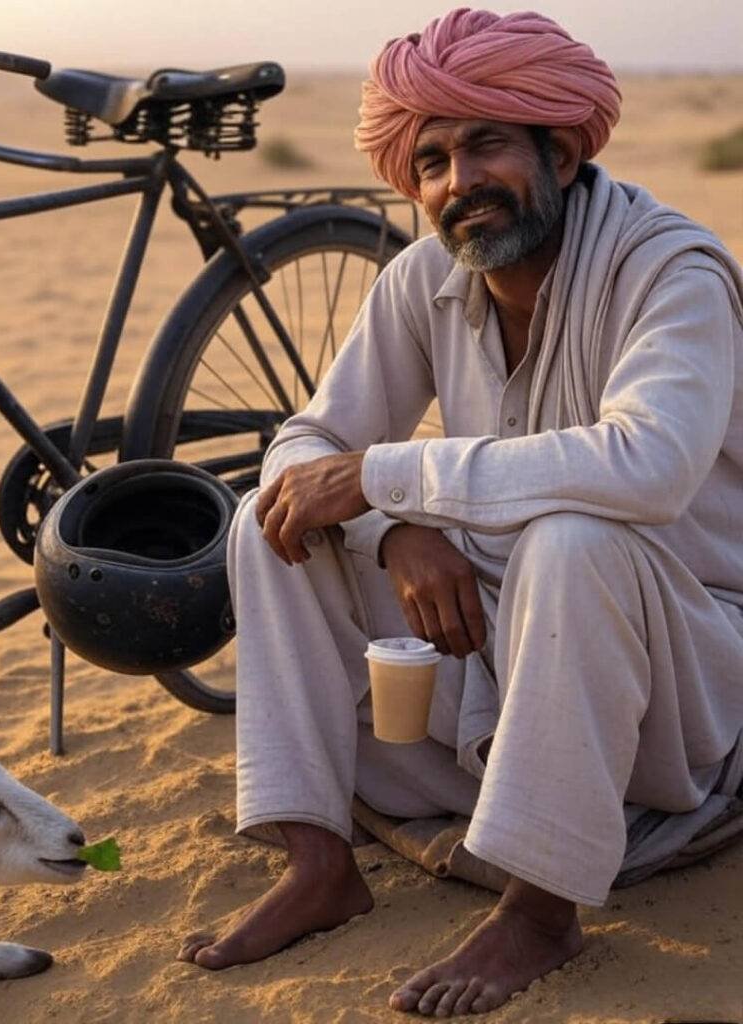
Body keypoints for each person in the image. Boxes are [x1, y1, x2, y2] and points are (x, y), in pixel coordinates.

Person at [176, 8, 743, 1017]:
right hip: (501, 619)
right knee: (269, 524)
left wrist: (393, 478)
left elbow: (647, 466)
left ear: (561, 151)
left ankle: (541, 902)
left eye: (484, 144)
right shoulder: (425, 277)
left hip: (685, 660)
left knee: (573, 540)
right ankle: (316, 859)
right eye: (429, 159)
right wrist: (396, 527)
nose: (453, 184)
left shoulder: (672, 270)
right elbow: (306, 448)